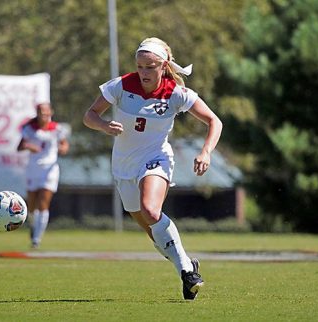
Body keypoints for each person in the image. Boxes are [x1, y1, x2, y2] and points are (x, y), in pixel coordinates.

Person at [83, 37, 223, 300]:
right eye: (140, 66)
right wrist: (103, 125)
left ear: (164, 66)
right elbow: (89, 115)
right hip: (124, 165)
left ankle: (186, 271)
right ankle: (186, 265)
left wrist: (206, 152)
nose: (144, 72)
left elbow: (215, 122)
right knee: (153, 231)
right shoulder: (122, 85)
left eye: (150, 67)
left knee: (151, 210)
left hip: (156, 158)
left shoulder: (176, 93)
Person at [17, 102, 70, 248]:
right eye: (41, 112)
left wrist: (62, 149)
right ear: (37, 113)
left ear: (51, 112)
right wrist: (28, 146)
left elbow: (65, 145)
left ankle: (36, 239)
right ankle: (33, 226)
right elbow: (20, 146)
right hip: (33, 169)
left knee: (43, 203)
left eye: (46, 112)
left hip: (50, 170)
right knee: (32, 205)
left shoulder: (57, 129)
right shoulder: (29, 129)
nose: (44, 115)